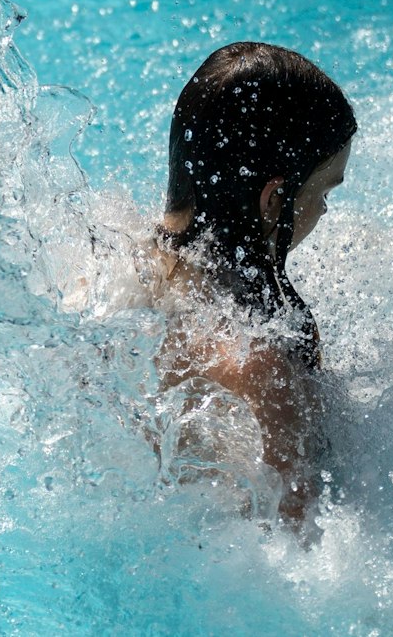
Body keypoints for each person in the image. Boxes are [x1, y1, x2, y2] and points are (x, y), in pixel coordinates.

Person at [145, 41, 354, 530]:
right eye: (324, 191)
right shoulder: (259, 365)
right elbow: (294, 537)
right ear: (273, 198)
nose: (324, 211)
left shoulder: (107, 268)